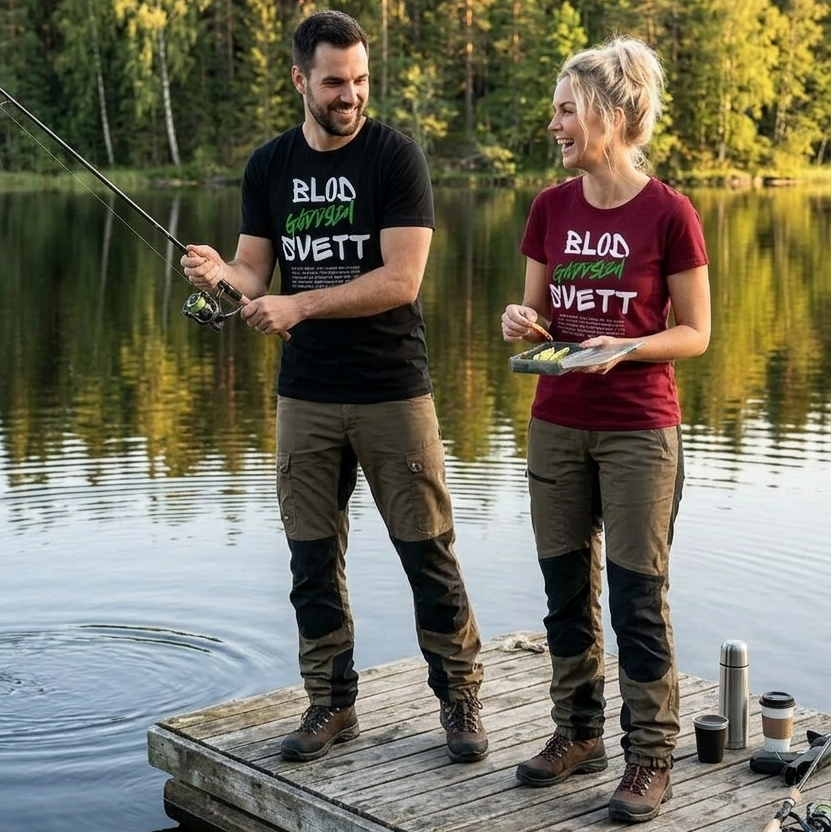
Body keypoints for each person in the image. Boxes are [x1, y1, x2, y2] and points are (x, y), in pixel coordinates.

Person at [181, 10, 488, 766]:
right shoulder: (270, 166)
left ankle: (460, 698)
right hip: (306, 394)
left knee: (429, 554)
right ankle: (330, 704)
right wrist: (222, 275)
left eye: (359, 81)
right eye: (334, 82)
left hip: (393, 391)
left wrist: (300, 303)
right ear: (300, 81)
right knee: (311, 558)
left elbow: (401, 279)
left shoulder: (395, 158)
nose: (350, 95)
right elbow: (255, 272)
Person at [501, 36, 710, 823]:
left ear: (613, 116)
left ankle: (650, 755)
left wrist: (621, 348)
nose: (554, 124)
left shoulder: (670, 213)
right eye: (555, 110)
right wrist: (522, 321)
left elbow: (695, 333)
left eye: (566, 110)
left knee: (636, 597)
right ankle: (575, 732)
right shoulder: (550, 207)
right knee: (563, 592)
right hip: (556, 421)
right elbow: (538, 323)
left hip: (637, 429)